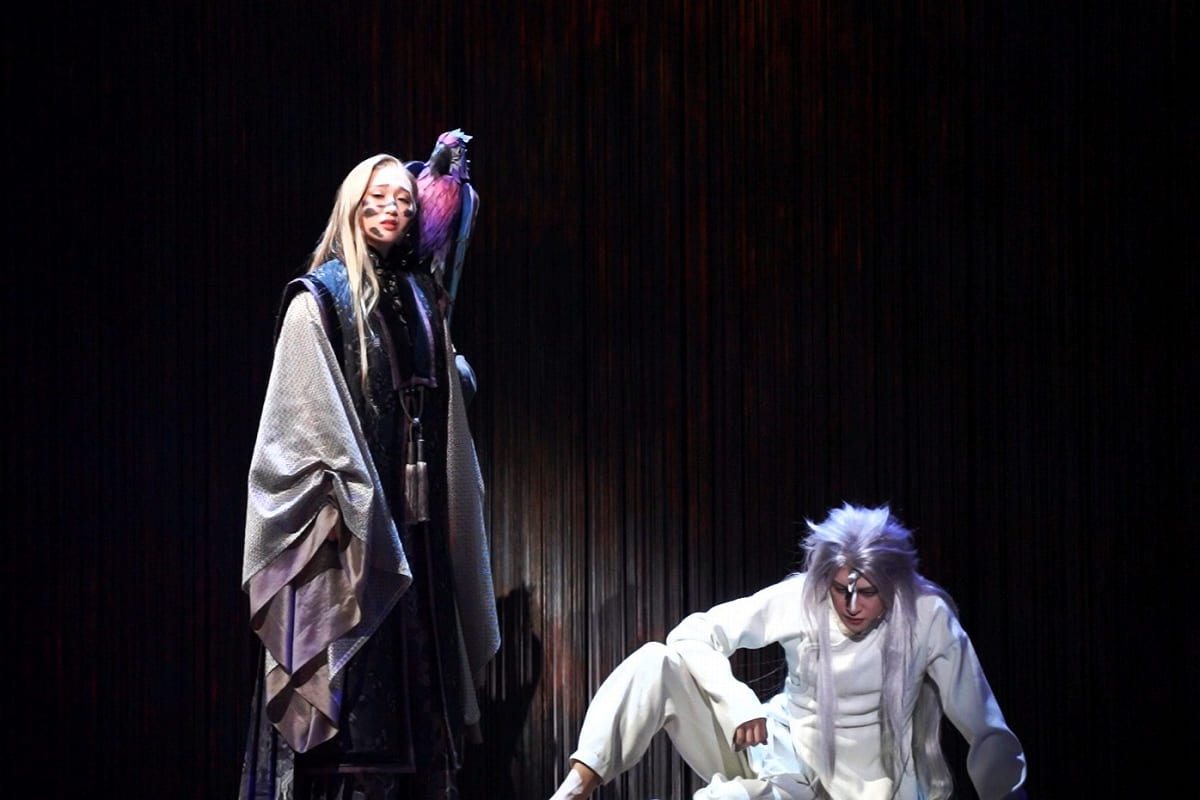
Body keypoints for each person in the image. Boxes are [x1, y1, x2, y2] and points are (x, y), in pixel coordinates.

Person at [239, 153, 500, 800]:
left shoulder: (422, 296)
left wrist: (452, 376)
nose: (392, 209)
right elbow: (299, 413)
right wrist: (347, 495)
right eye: (378, 197)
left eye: (404, 200)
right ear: (353, 204)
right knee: (358, 680)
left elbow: (440, 393)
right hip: (356, 521)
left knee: (423, 667)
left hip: (420, 522)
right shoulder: (319, 298)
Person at [548, 503, 1027, 800]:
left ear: (894, 584)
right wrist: (739, 703)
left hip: (872, 786)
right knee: (656, 661)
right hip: (778, 758)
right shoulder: (802, 597)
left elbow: (985, 726)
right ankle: (576, 787)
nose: (852, 606)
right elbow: (692, 634)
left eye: (868, 592)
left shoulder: (927, 615)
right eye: (840, 590)